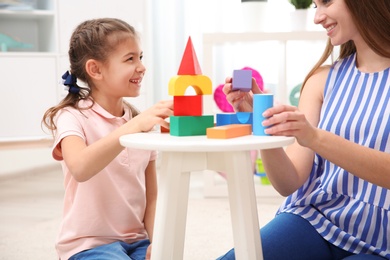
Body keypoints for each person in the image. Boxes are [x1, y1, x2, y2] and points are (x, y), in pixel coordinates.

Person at [218, 0, 390, 259]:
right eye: (315, 6)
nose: (317, 17)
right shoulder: (322, 80)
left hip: (381, 240)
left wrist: (315, 137)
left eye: (326, 3)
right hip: (316, 219)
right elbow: (289, 182)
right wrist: (263, 122)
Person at [42, 18, 173, 260]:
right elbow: (80, 168)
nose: (142, 67)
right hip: (88, 246)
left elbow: (151, 196)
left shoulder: (138, 121)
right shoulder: (71, 117)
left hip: (137, 241)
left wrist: (158, 241)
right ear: (95, 69)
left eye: (141, 57)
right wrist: (134, 126)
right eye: (130, 59)